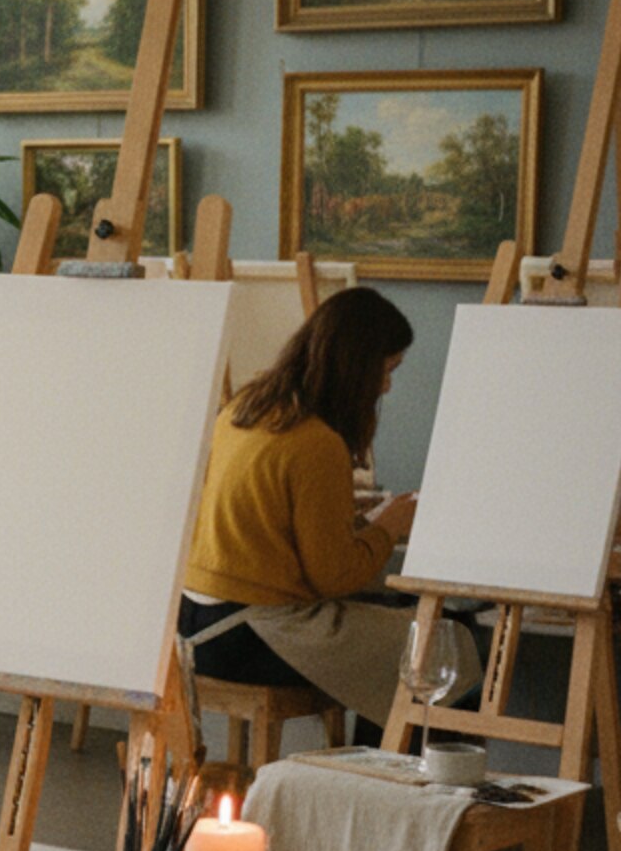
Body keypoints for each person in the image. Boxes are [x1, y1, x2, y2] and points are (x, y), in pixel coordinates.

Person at [179, 284, 478, 730]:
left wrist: (354, 516)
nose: (388, 385)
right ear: (356, 368)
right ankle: (401, 785)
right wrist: (389, 525)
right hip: (252, 633)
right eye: (386, 370)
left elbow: (265, 523)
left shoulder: (244, 408)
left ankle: (375, 772)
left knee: (405, 638)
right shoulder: (317, 442)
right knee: (443, 644)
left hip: (194, 625)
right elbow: (333, 577)